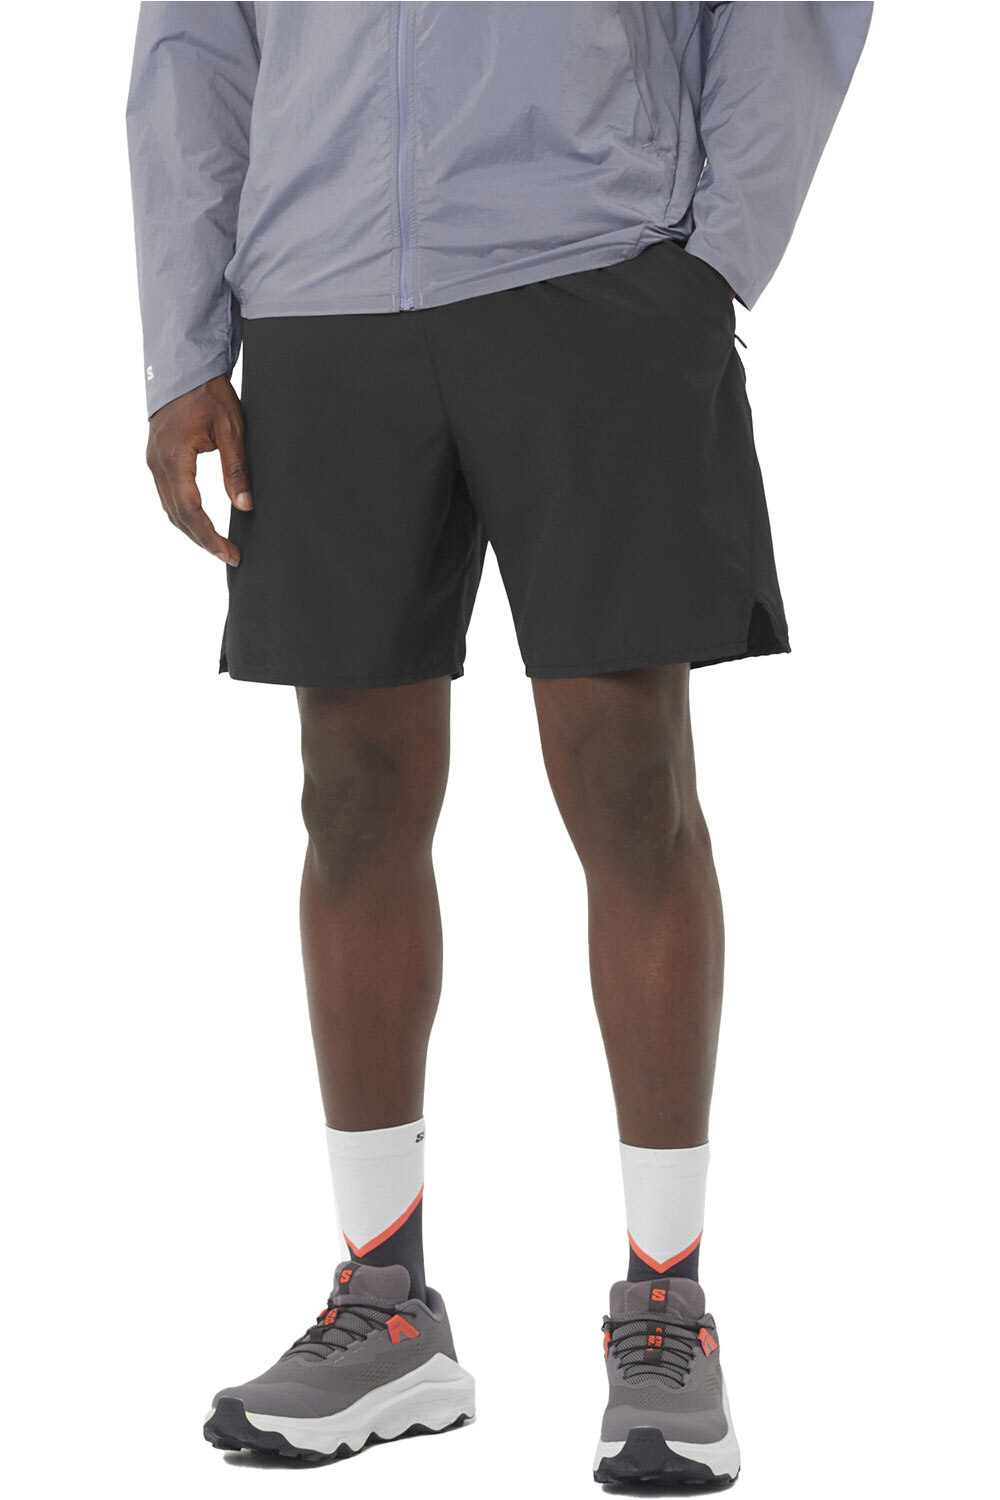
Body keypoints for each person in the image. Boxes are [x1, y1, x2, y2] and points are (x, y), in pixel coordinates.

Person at [128, 1, 871, 1481]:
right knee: (350, 795)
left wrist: (715, 251)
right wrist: (184, 342)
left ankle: (666, 1309)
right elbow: (194, 42)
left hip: (592, 265)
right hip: (321, 294)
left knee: (628, 779)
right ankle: (386, 1306)